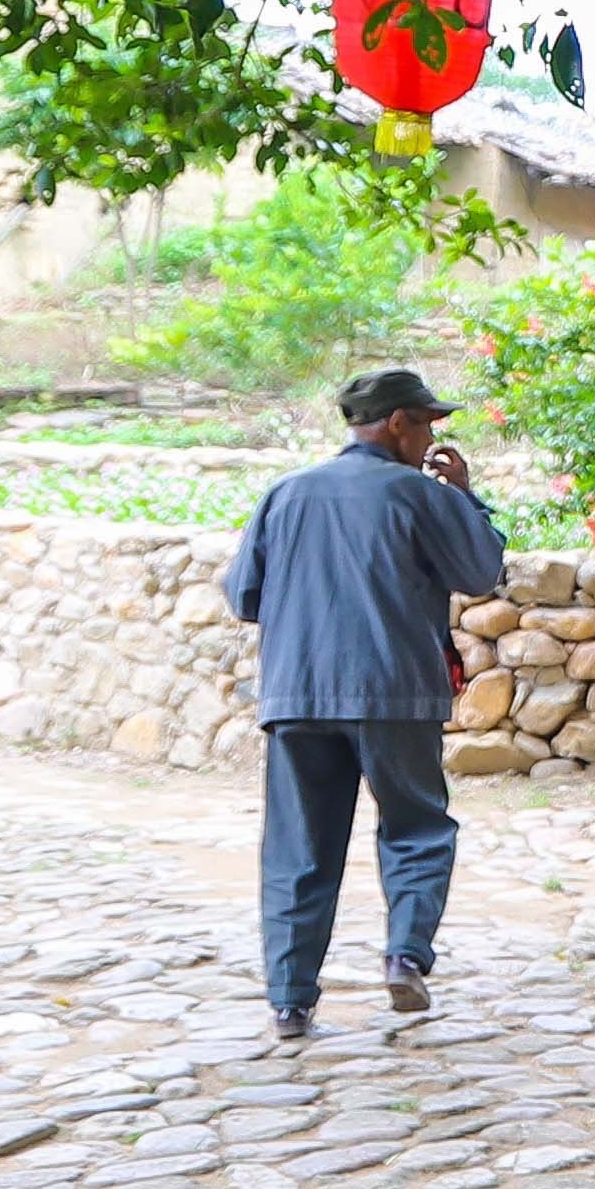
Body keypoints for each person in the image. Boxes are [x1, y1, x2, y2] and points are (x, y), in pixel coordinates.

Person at [221, 366, 508, 1039]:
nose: (433, 437)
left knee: (299, 845)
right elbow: (479, 573)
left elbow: (244, 596)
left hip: (298, 694)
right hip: (394, 692)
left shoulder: (285, 494)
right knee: (416, 827)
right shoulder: (419, 495)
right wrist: (465, 496)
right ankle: (405, 956)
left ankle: (290, 1000)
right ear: (398, 423)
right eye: (428, 423)